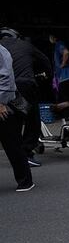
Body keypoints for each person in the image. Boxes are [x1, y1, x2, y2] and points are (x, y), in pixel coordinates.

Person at [1, 27, 51, 167]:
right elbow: (44, 60)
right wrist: (48, 77)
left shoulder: (1, 48)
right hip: (25, 87)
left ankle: (18, 154)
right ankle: (26, 152)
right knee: (31, 118)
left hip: (9, 91)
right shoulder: (25, 45)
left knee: (14, 120)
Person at [0, 43, 35, 191]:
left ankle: (25, 181)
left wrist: (0, 101)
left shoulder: (1, 51)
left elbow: (6, 76)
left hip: (4, 104)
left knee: (12, 144)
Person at [50, 34, 69, 120]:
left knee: (65, 97)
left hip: (65, 76)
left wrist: (62, 64)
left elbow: (66, 52)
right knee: (67, 96)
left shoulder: (59, 44)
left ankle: (59, 108)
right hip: (68, 76)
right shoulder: (61, 44)